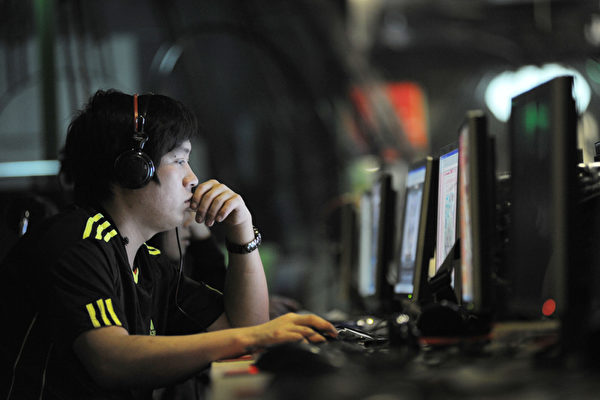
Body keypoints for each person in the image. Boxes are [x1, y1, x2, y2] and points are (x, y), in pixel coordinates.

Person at [0, 90, 336, 400]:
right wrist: (253, 337)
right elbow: (111, 359)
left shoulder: (148, 264)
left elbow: (246, 327)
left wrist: (241, 230)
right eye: (178, 160)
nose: (193, 178)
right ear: (134, 169)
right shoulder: (76, 242)